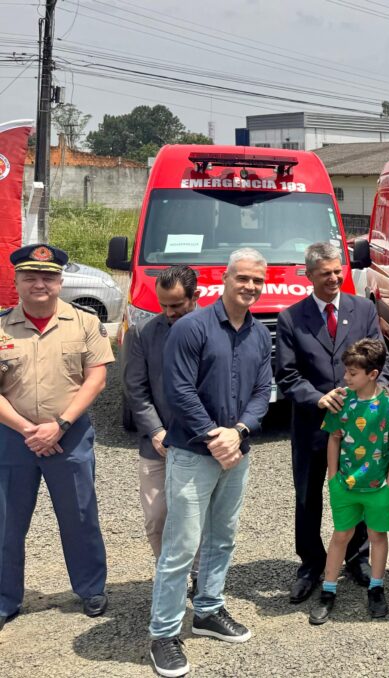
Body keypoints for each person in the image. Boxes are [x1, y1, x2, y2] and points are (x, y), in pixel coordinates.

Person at [148, 249, 273, 678]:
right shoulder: (190, 327)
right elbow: (179, 391)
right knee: (180, 546)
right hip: (192, 454)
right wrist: (213, 436)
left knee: (222, 538)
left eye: (257, 280)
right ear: (225, 278)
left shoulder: (259, 334)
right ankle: (164, 633)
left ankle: (207, 609)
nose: (250, 286)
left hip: (236, 452)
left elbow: (262, 391)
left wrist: (237, 432)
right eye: (243, 278)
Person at [0, 244, 113, 632]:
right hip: (14, 438)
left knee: (80, 516)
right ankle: (4, 598)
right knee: (6, 522)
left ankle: (92, 588)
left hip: (71, 434)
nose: (40, 284)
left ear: (60, 281)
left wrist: (60, 424)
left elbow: (96, 377)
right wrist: (28, 430)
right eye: (30, 276)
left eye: (48, 276)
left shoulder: (83, 322)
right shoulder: (0, 326)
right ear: (16, 281)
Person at [275, 242, 389, 604]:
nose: (335, 278)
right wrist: (317, 398)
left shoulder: (363, 309)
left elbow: (380, 363)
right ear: (309, 276)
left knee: (357, 491)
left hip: (359, 429)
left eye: (338, 271)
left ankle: (356, 557)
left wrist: (371, 404)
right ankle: (310, 564)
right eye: (325, 273)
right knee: (309, 496)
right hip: (313, 425)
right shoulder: (291, 318)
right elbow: (287, 375)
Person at [309, 338, 389, 625]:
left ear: (372, 374)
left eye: (353, 373)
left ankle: (376, 587)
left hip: (378, 489)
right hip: (345, 486)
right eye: (346, 372)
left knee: (377, 536)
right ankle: (328, 590)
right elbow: (334, 437)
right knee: (340, 535)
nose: (346, 378)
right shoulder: (342, 400)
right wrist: (332, 476)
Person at [124, 265, 203, 594]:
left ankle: (199, 576)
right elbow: (135, 389)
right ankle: (169, 575)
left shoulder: (214, 329)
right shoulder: (143, 333)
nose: (168, 313)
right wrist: (155, 431)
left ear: (195, 297)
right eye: (163, 306)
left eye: (176, 305)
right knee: (157, 516)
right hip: (157, 444)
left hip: (199, 444)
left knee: (197, 517)